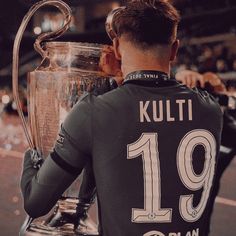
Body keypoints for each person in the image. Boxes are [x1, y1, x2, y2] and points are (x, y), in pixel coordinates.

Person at [20, 1, 223, 235]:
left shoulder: (95, 111)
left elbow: (35, 202)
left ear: (116, 47)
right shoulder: (210, 109)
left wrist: (32, 152)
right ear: (175, 49)